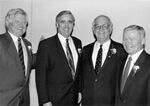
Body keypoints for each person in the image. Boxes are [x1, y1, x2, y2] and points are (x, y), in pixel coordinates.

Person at [36, 10, 82, 106]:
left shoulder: (78, 42)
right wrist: (45, 101)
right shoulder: (46, 45)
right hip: (53, 101)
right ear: (57, 24)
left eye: (70, 22)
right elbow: (40, 77)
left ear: (73, 25)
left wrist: (79, 90)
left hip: (73, 100)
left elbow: (79, 71)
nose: (66, 25)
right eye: (62, 22)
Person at [81, 15, 127, 106]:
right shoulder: (85, 50)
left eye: (105, 26)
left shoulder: (122, 50)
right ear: (93, 29)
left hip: (111, 102)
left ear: (111, 28)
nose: (101, 29)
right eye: (97, 26)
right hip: (88, 102)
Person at [0, 8, 36, 106]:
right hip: (4, 101)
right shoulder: (1, 42)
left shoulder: (27, 44)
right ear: (8, 23)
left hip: (23, 101)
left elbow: (29, 63)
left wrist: (44, 48)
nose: (21, 25)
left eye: (24, 23)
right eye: (17, 21)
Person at [115, 25, 150, 106]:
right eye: (125, 39)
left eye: (132, 39)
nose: (127, 42)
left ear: (142, 41)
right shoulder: (120, 62)